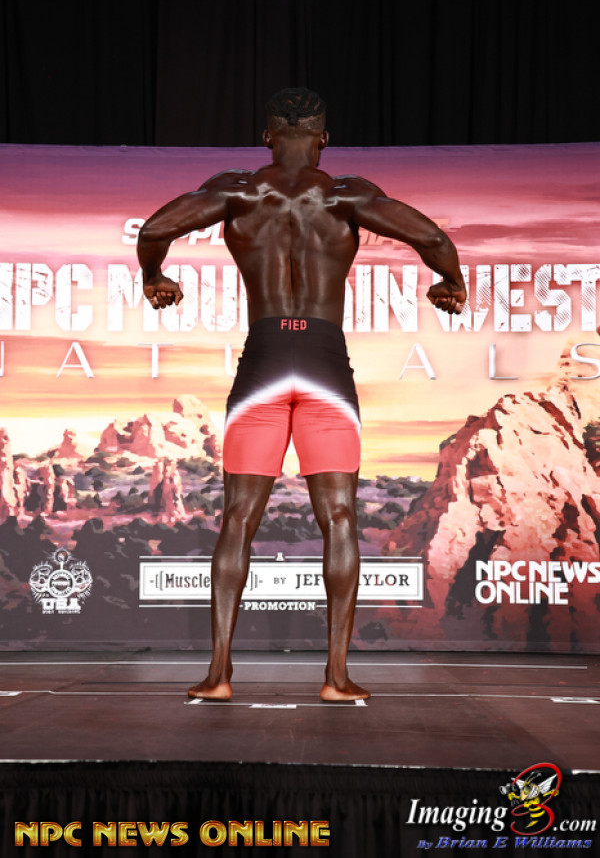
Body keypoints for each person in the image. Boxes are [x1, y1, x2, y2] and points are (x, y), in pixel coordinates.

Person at [137, 87, 466, 701]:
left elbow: (156, 228)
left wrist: (155, 276)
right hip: (323, 367)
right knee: (339, 517)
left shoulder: (236, 190)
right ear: (324, 138)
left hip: (264, 363)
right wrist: (451, 283)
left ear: (267, 136)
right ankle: (337, 679)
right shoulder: (349, 194)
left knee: (238, 519)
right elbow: (432, 239)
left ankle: (218, 676)